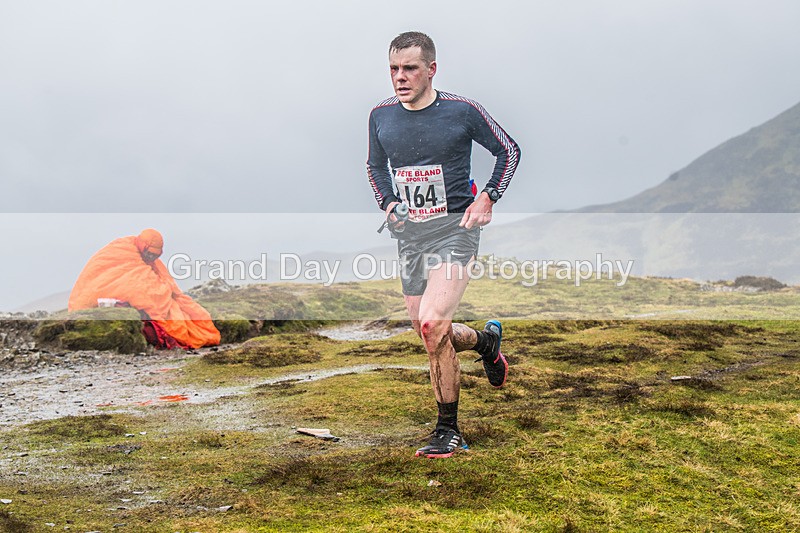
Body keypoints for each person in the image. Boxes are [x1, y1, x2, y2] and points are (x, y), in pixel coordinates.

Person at [367, 32, 521, 458]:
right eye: (394, 69)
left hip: (457, 229)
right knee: (427, 330)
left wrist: (487, 196)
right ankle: (487, 344)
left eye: (410, 68)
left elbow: (509, 150)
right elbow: (375, 165)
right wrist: (389, 203)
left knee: (434, 325)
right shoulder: (380, 116)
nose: (400, 77)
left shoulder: (461, 111)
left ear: (431, 69)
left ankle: (448, 430)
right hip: (410, 236)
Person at [69, 229, 221, 349]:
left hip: (101, 303)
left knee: (183, 307)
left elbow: (149, 280)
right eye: (149, 254)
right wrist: (162, 293)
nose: (151, 259)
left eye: (155, 256)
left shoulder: (144, 257)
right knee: (158, 298)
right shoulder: (121, 250)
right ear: (143, 246)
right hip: (88, 301)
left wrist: (166, 291)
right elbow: (136, 287)